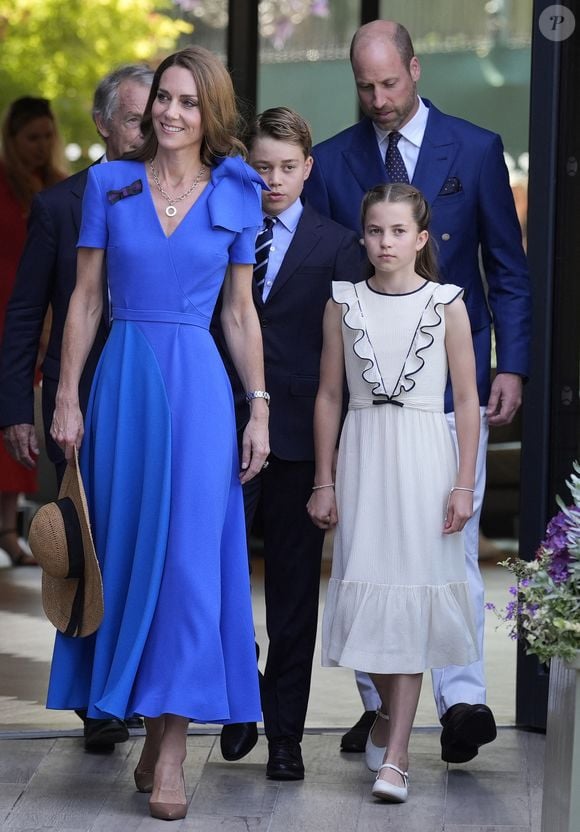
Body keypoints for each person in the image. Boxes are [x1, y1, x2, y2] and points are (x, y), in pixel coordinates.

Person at [47, 46, 269, 821]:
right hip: (124, 386)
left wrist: (261, 406)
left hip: (202, 391)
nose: (170, 114)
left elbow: (240, 313)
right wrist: (67, 395)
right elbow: (82, 301)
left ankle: (172, 752)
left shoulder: (238, 190)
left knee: (186, 567)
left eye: (186, 102)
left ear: (211, 114)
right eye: (161, 101)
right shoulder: (109, 186)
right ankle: (146, 729)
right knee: (130, 562)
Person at [303, 19, 531, 764]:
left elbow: (507, 267)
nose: (378, 99)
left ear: (415, 69)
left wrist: (511, 365)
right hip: (369, 401)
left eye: (390, 83)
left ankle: (462, 700)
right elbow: (329, 288)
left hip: (450, 388)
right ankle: (379, 709)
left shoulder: (475, 149)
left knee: (450, 542)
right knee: (370, 553)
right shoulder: (332, 162)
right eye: (365, 87)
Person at [307, 183, 480, 802]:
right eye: (376, 231)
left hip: (424, 461)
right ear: (364, 236)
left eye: (398, 231)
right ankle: (384, 716)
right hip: (363, 459)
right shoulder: (343, 303)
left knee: (410, 597)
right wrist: (324, 480)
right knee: (368, 594)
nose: (386, 242)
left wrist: (464, 484)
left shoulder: (448, 304)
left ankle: (397, 758)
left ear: (421, 238)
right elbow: (329, 395)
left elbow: (465, 401)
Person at [0, 64, 153, 753]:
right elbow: (27, 309)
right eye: (134, 118)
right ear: (101, 125)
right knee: (92, 547)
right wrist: (17, 408)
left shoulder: (185, 195)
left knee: (150, 544)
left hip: (163, 399)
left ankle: (142, 685)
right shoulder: (62, 205)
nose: (150, 130)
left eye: (158, 116)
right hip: (84, 399)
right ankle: (99, 700)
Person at [213, 107, 361, 780]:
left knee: (296, 595)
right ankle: (239, 700)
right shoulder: (223, 229)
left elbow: (346, 361)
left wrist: (335, 463)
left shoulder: (340, 244)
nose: (273, 180)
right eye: (261, 167)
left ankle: (285, 738)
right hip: (224, 425)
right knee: (217, 576)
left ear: (308, 166)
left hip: (303, 439)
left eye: (285, 167)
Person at [0, 96, 67, 565]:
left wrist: (48, 327)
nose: (42, 146)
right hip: (6, 311)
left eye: (48, 136)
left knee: (19, 423)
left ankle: (8, 528)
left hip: (31, 325)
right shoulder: (1, 186)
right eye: (32, 138)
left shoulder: (61, 189)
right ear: (12, 140)